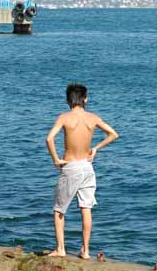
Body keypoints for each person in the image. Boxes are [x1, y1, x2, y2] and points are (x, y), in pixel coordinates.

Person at [45, 83, 119, 259]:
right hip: (87, 167)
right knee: (86, 208)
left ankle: (61, 249)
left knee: (59, 210)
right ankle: (85, 251)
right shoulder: (93, 118)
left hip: (71, 167)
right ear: (85, 98)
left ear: (68, 100)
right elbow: (114, 134)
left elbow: (49, 139)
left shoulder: (64, 117)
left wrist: (55, 159)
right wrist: (96, 148)